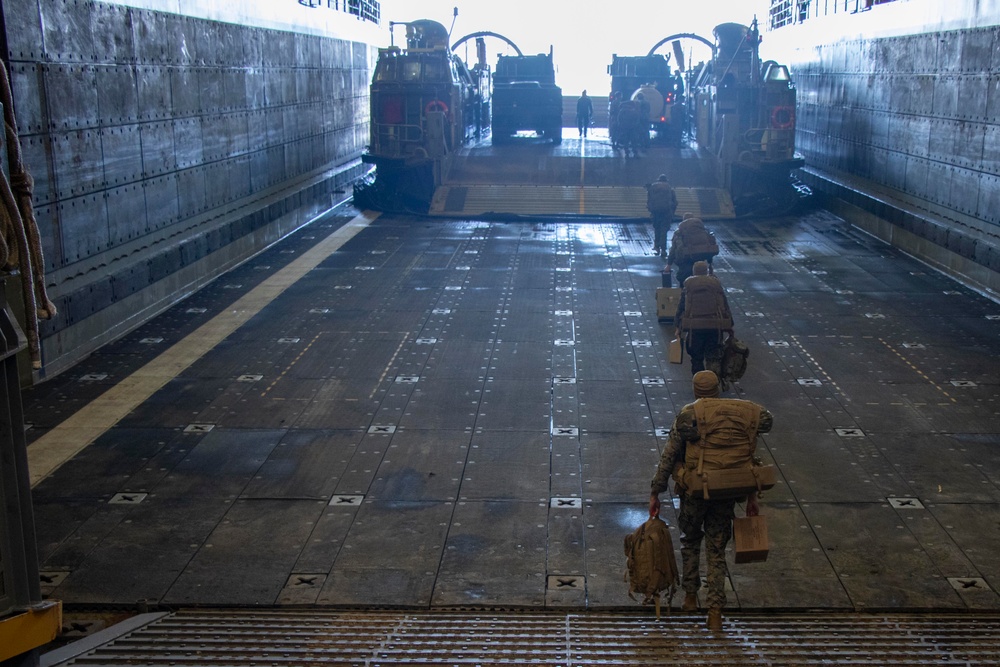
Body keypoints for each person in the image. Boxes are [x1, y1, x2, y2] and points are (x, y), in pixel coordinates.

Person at [649, 370, 773, 631]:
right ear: (718, 388)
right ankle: (715, 613)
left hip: (694, 492)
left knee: (691, 540)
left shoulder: (691, 414)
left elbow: (670, 455)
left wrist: (656, 491)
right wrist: (752, 496)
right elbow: (748, 454)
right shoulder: (743, 413)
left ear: (696, 390)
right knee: (717, 551)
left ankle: (691, 596)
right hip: (726, 493)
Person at [675, 260, 733, 376]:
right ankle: (713, 380)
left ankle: (700, 383)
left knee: (696, 358)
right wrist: (729, 325)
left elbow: (681, 307)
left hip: (694, 327)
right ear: (706, 271)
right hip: (715, 325)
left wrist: (678, 326)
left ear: (694, 271)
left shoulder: (689, 285)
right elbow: (724, 305)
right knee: (713, 356)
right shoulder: (715, 284)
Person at [664, 214, 719, 286]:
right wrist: (710, 262)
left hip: (685, 259)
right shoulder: (703, 230)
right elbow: (708, 245)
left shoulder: (679, 232)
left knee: (684, 279)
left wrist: (669, 264)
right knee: (700, 278)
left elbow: (673, 249)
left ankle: (684, 293)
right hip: (700, 257)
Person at [645, 174, 677, 257]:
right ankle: (663, 249)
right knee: (664, 230)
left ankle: (656, 247)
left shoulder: (652, 188)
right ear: (666, 181)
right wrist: (672, 213)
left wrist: (651, 210)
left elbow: (649, 201)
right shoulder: (670, 189)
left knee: (657, 229)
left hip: (655, 213)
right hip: (666, 213)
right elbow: (675, 203)